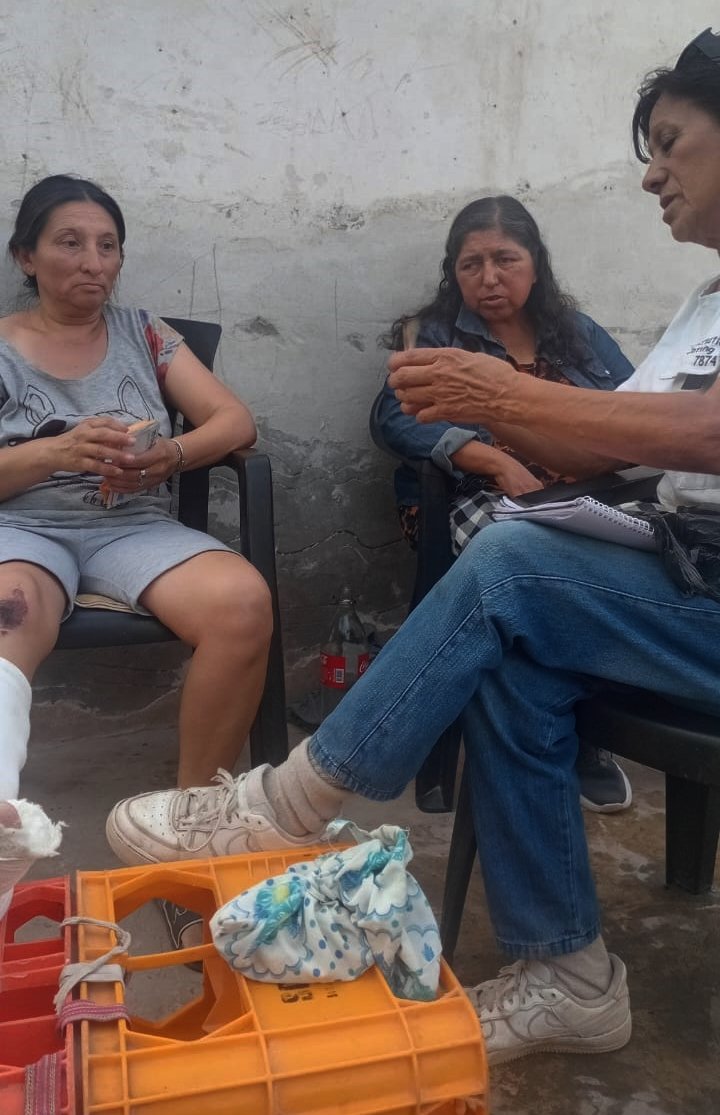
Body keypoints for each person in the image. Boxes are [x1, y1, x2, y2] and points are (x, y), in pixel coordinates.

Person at [108, 28, 720, 1065]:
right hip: (671, 567)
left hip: (698, 582)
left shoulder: (575, 332)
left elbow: (700, 432)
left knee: (513, 566)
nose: (651, 174)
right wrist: (494, 425)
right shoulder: (698, 305)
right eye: (647, 150)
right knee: (516, 647)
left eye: (670, 143)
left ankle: (291, 802)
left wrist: (511, 400)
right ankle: (571, 977)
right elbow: (613, 441)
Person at [0, 175, 273, 924]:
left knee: (242, 603)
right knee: (8, 610)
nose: (93, 262)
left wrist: (168, 457)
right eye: (69, 242)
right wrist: (54, 454)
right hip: (24, 528)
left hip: (133, 527)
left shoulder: (145, 333)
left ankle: (184, 833)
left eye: (107, 245)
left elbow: (234, 421)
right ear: (26, 256)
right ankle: (1, 822)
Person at [372, 194, 634, 812]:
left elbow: (633, 406)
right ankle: (573, 735)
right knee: (539, 568)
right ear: (454, 273)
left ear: (535, 264)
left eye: (505, 260)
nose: (489, 278)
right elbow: (394, 418)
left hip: (580, 497)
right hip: (472, 498)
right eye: (471, 264)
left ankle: (568, 722)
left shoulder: (578, 333)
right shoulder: (435, 335)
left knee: (640, 563)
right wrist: (492, 459)